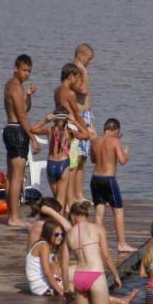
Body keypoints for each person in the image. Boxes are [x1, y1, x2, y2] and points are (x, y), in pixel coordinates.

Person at [40, 203, 130, 304]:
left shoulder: (69, 235)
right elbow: (106, 255)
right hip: (96, 275)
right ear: (86, 215)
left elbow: (64, 266)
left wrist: (65, 289)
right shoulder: (97, 228)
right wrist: (115, 275)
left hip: (79, 277)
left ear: (73, 216)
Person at [2, 55, 40, 227]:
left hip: (10, 128)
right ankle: (14, 217)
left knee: (11, 177)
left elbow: (25, 108)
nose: (26, 74)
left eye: (29, 71)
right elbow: (22, 115)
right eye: (24, 70)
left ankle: (11, 214)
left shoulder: (12, 86)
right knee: (17, 177)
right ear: (16, 68)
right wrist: (33, 138)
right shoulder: (15, 87)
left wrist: (29, 95)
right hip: (17, 131)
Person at [91, 117, 135, 255]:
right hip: (108, 179)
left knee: (99, 213)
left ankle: (98, 244)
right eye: (118, 132)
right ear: (115, 130)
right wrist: (126, 152)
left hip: (95, 179)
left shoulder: (96, 140)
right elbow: (122, 161)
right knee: (118, 212)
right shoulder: (115, 141)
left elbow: (93, 160)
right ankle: (121, 244)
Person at [67, 44, 94, 209]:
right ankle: (72, 196)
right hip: (77, 118)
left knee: (82, 159)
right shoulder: (74, 71)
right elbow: (82, 90)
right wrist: (84, 73)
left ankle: (79, 194)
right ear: (81, 56)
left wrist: (91, 122)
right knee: (75, 160)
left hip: (86, 117)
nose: (90, 63)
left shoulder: (82, 71)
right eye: (89, 59)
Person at [26, 222, 66, 296]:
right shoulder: (44, 245)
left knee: (77, 276)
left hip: (45, 283)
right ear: (48, 234)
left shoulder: (50, 247)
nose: (60, 237)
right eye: (56, 234)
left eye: (62, 234)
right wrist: (60, 290)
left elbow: (56, 268)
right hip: (41, 287)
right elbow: (47, 271)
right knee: (76, 286)